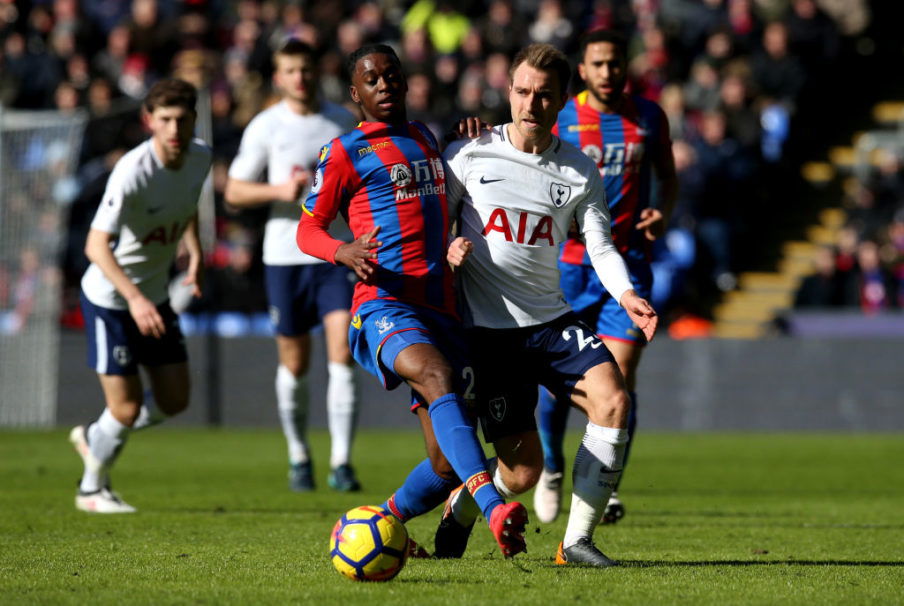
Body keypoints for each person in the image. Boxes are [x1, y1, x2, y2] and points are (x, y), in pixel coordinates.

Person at [297, 44, 528, 558]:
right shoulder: (343, 152)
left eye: (391, 75)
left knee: (446, 463)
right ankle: (493, 508)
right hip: (384, 301)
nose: (384, 85)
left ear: (404, 81)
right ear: (355, 93)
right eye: (371, 79)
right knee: (435, 377)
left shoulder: (425, 136)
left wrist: (460, 137)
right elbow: (307, 229)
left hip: (442, 304)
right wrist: (341, 249)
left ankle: (382, 521)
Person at [433, 42, 658, 567]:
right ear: (508, 91)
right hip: (490, 335)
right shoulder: (468, 153)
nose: (530, 104)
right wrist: (448, 249)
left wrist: (626, 294)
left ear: (561, 102)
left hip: (552, 322)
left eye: (544, 96)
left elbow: (599, 245)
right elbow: (432, 226)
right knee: (521, 475)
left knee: (614, 402)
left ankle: (576, 542)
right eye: (522, 92)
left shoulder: (579, 169)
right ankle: (461, 508)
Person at [534, 29, 678, 525]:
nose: (608, 73)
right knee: (555, 385)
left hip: (629, 263)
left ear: (625, 66)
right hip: (569, 265)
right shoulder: (562, 117)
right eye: (598, 64)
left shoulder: (648, 117)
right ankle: (552, 467)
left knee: (618, 381)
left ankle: (606, 484)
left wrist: (661, 211)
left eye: (615, 63)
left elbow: (667, 177)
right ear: (584, 69)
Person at [224, 39, 362, 493]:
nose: (299, 77)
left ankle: (341, 462)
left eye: (306, 68)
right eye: (290, 70)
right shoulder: (266, 126)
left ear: (315, 71)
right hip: (284, 254)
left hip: (335, 252)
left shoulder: (342, 122)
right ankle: (299, 455)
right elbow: (234, 191)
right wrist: (278, 192)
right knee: (295, 361)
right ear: (278, 77)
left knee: (342, 352)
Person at [69, 78, 212, 513]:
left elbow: (186, 205)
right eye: (164, 119)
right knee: (127, 407)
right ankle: (91, 490)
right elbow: (95, 247)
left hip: (153, 295)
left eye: (181, 119)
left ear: (193, 121)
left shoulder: (200, 157)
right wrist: (134, 298)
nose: (173, 128)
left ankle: (98, 435)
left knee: (174, 401)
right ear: (149, 120)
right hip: (112, 299)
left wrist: (195, 248)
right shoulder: (132, 170)